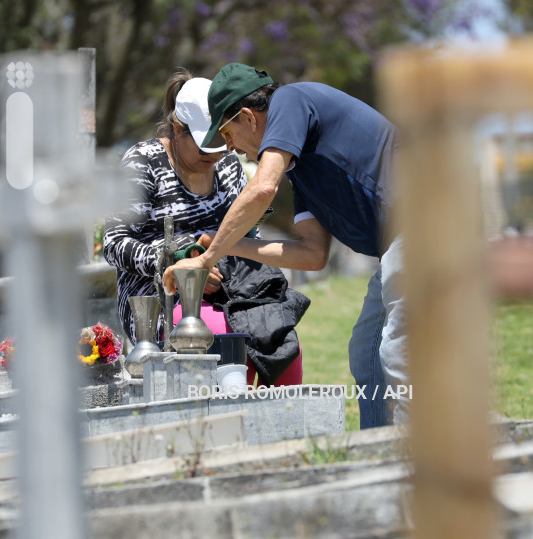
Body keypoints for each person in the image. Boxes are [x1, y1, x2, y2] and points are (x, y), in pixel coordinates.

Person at [164, 63, 406, 428]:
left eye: (229, 136)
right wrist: (229, 246)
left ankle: (415, 463)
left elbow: (262, 188)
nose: (235, 151)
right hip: (397, 248)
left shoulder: (291, 100)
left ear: (248, 117)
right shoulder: (303, 166)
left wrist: (207, 259)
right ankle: (379, 450)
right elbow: (312, 254)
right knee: (367, 354)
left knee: (401, 354)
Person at [104, 70, 306, 387]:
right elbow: (114, 243)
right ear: (176, 129)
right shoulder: (143, 162)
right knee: (215, 334)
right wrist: (180, 260)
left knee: (282, 343)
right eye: (203, 147)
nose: (214, 155)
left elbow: (248, 234)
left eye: (221, 143)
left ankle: (282, 427)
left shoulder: (227, 163)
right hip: (158, 296)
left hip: (232, 288)